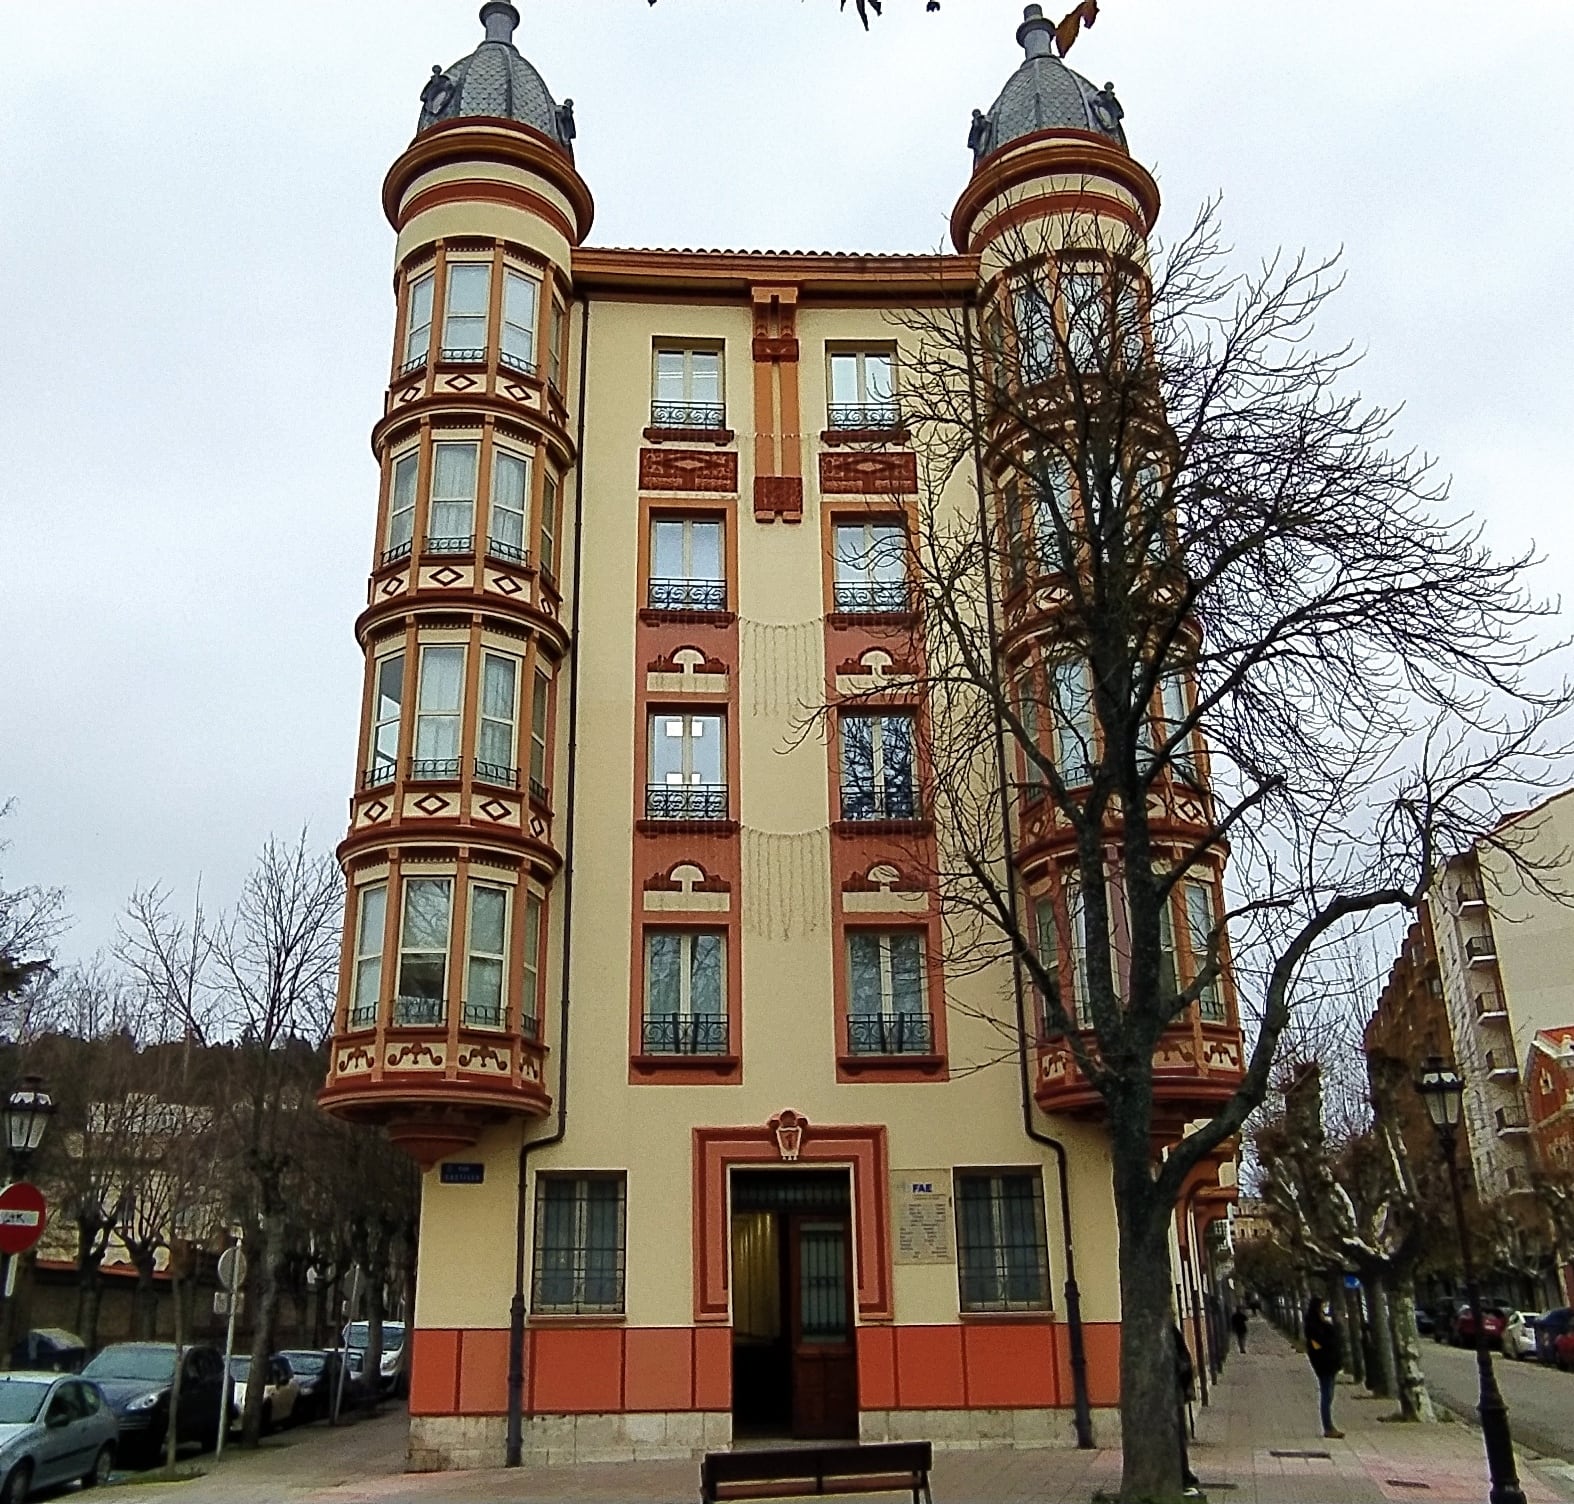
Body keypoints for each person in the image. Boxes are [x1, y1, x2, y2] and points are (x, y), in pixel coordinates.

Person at [1304, 1297, 1345, 1439]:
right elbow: (1317, 1345)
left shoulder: (1320, 1323)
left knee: (1329, 1394)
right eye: (1322, 1306)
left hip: (1329, 1362)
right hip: (1324, 1363)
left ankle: (1329, 1426)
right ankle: (1328, 1427)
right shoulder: (1314, 1326)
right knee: (1326, 1395)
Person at [1173, 1323, 1202, 1497]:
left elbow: (1183, 1361)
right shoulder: (1170, 1330)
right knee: (1178, 1436)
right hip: (1173, 1392)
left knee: (1177, 1436)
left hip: (1171, 1392)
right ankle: (1183, 1474)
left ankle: (1182, 1474)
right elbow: (1184, 1361)